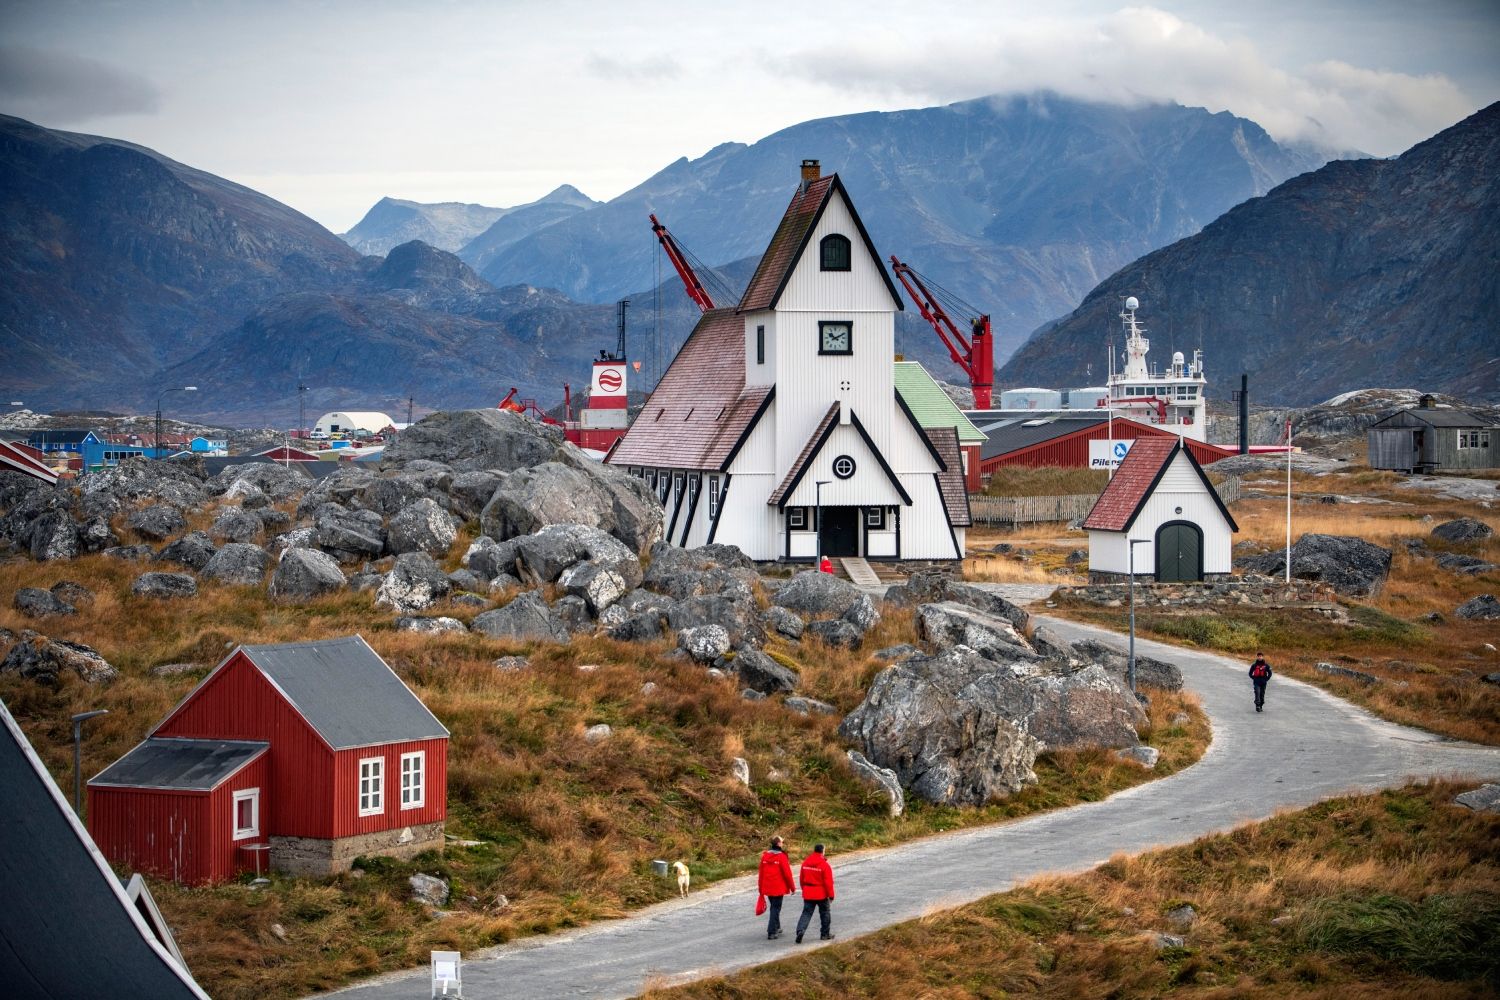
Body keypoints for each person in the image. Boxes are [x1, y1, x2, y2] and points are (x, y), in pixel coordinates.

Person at [794, 843, 836, 943]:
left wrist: (805, 889)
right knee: (825, 913)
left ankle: (800, 930)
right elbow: (828, 882)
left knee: (806, 913)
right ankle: (825, 934)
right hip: (821, 893)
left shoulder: (805, 863)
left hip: (808, 892)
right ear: (822, 851)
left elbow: (801, 879)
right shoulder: (824, 865)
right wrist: (831, 895)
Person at [757, 835, 796, 939]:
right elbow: (787, 874)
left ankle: (777, 927)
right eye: (782, 842)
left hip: (767, 886)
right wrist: (792, 887)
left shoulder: (765, 856)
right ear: (778, 844)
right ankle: (771, 931)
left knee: (773, 906)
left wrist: (760, 887)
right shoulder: (782, 856)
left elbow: (761, 873)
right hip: (778, 887)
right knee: (775, 908)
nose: (782, 843)